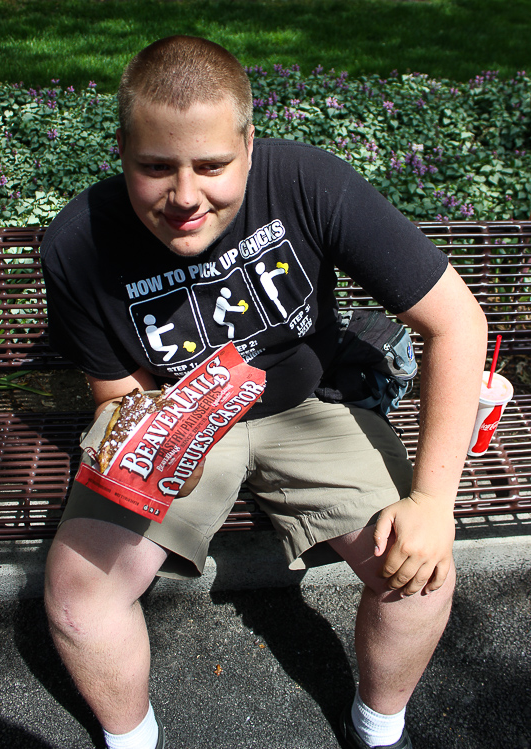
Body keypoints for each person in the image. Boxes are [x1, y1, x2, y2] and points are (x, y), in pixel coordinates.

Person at [41, 36, 487, 749]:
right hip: (178, 413)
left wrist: (433, 503)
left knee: (420, 571)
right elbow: (113, 389)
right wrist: (133, 427)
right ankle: (131, 739)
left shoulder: (308, 182)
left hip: (308, 406)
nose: (185, 196)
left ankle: (380, 727)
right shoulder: (76, 242)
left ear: (250, 144)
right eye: (156, 167)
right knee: (77, 594)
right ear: (122, 148)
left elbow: (456, 321)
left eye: (212, 165)